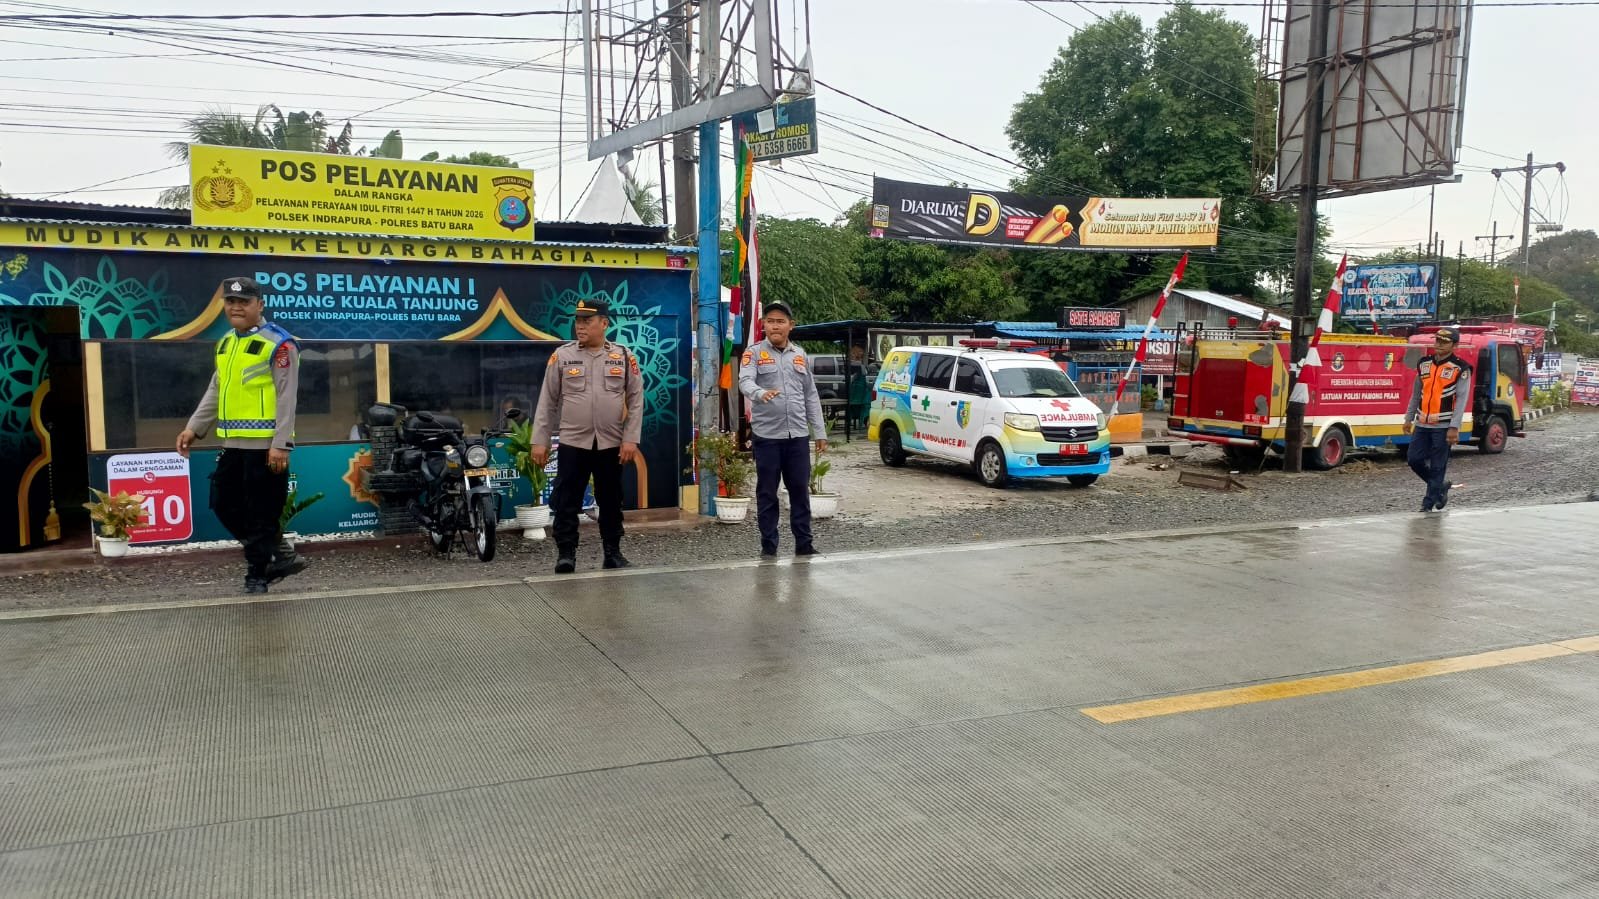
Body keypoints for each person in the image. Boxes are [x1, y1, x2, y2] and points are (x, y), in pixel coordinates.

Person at [177, 276, 306, 594]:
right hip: (232, 445)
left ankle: (257, 575)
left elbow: (287, 397)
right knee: (223, 503)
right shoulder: (226, 343)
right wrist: (194, 427)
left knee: (262, 513)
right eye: (230, 302)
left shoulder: (279, 344)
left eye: (244, 302)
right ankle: (280, 552)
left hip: (266, 448)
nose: (236, 307)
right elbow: (216, 389)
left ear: (259, 305)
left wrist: (281, 444)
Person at [530, 298, 643, 572]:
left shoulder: (623, 356)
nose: (580, 326)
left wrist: (630, 438)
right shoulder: (562, 356)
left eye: (587, 321)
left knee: (611, 499)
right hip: (573, 442)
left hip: (610, 443)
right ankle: (566, 555)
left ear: (604, 323)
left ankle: (612, 553)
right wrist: (540, 440)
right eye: (578, 321)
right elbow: (547, 401)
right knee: (566, 499)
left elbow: (636, 399)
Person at [738, 301, 829, 558]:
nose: (775, 326)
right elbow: (744, 381)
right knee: (767, 492)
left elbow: (810, 395)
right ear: (763, 325)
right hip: (767, 437)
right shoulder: (754, 353)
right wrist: (760, 393)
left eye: (780, 321)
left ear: (791, 325)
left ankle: (804, 544)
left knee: (800, 490)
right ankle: (769, 546)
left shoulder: (799, 354)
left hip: (797, 436)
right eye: (770, 321)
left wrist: (819, 432)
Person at [1403, 327, 1472, 513]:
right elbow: (1416, 394)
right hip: (1422, 423)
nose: (1439, 344)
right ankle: (1440, 487)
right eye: (1437, 340)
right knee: (1414, 459)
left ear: (1454, 346)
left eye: (1444, 342)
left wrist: (1454, 427)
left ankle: (1427, 504)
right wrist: (1409, 418)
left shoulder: (1460, 368)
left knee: (1437, 466)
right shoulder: (1424, 364)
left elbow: (1462, 399)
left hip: (1444, 425)